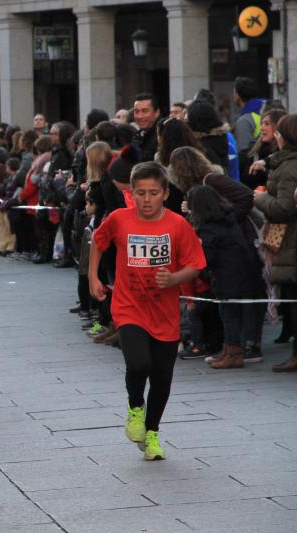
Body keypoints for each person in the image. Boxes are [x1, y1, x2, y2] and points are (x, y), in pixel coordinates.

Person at [89, 161, 206, 461]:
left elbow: (195, 264)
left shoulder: (178, 225)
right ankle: (134, 407)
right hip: (129, 306)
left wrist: (174, 278)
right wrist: (93, 278)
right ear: (132, 193)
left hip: (164, 312)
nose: (146, 199)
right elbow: (98, 242)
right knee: (139, 363)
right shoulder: (119, 219)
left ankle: (152, 433)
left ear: (165, 193)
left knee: (163, 377)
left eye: (153, 193)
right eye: (140, 193)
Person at [186, 185, 264, 369]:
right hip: (242, 272)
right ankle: (229, 349)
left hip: (228, 275)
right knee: (231, 313)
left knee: (229, 314)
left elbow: (206, 257)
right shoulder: (227, 218)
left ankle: (233, 352)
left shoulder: (209, 228)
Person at [253, 114, 297, 373]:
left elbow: (283, 207)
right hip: (287, 241)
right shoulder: (284, 163)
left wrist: (259, 198)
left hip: (290, 240)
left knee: (293, 299)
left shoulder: (290, 167)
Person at [132, 93, 162, 162]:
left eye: (145, 111)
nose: (140, 116)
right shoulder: (137, 136)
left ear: (156, 112)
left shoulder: (162, 136)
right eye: (136, 111)